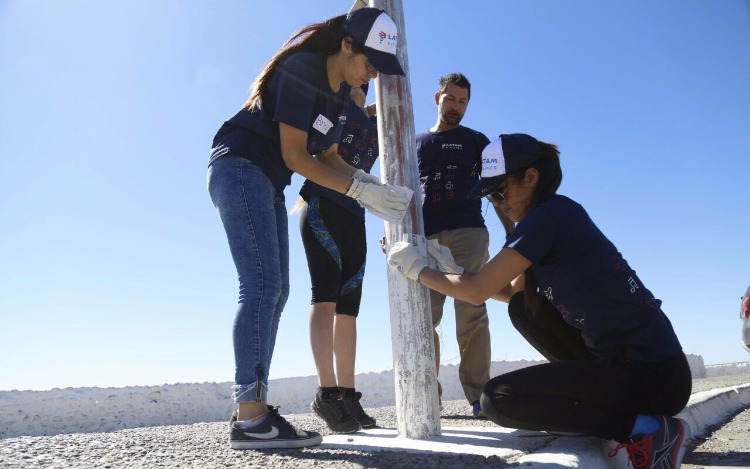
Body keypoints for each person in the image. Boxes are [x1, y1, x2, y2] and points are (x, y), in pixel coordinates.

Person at [387, 133, 692, 469]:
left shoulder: (547, 217)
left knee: (498, 400)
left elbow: (476, 291)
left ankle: (648, 431)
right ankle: (610, 415)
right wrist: (448, 268)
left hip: (653, 375)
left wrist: (419, 269)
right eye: (492, 198)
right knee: (523, 309)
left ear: (530, 177)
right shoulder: (554, 216)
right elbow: (507, 292)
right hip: (634, 366)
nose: (499, 204)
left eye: (500, 192)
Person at [207, 7, 409, 450]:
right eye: (370, 60)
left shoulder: (341, 94)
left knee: (276, 288)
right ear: (347, 44)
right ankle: (250, 416)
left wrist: (367, 183)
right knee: (261, 286)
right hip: (240, 166)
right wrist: (358, 193)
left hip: (266, 179)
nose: (373, 72)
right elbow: (297, 156)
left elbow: (329, 156)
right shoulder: (303, 69)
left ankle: (254, 410)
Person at [297, 84, 379, 433]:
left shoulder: (376, 122)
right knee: (326, 298)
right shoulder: (333, 105)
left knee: (350, 309)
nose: (365, 80)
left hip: (356, 214)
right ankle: (326, 394)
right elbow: (312, 150)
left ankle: (347, 394)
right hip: (322, 204)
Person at [416, 73, 491, 417]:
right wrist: (395, 228)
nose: (456, 107)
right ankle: (429, 395)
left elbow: (497, 188)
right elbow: (403, 190)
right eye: (451, 99)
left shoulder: (477, 141)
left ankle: (480, 398)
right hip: (425, 237)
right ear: (437, 98)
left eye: (463, 101)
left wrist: (514, 233)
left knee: (471, 313)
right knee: (423, 318)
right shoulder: (413, 142)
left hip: (468, 233)